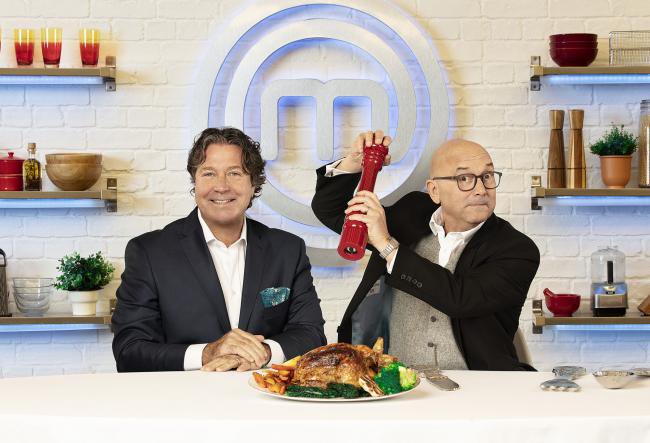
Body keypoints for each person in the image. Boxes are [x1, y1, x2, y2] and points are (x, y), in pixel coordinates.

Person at [311, 130, 539, 371]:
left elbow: (460, 299)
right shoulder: (411, 212)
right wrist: (355, 164)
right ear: (434, 191)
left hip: (479, 382)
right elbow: (330, 209)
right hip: (393, 378)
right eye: (464, 178)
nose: (481, 189)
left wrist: (387, 245)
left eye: (487, 176)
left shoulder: (517, 250)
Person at [112, 127, 326, 372]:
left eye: (234, 173)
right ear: (194, 182)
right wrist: (207, 353)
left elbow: (311, 335)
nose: (221, 186)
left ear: (254, 183)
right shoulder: (149, 252)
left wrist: (264, 352)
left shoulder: (287, 250)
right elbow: (129, 350)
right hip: (183, 394)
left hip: (263, 393)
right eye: (209, 173)